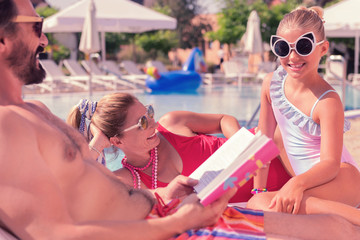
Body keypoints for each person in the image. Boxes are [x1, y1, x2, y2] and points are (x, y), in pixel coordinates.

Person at [1, 1, 360, 239]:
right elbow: (53, 232)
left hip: (166, 207)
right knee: (331, 228)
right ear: (3, 40)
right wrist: (177, 222)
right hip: (164, 227)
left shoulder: (35, 113)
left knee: (335, 226)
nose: (46, 37)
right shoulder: (7, 127)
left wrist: (161, 193)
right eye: (36, 25)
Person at [67, 93, 291, 202]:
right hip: (263, 198)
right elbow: (77, 184)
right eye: (143, 123)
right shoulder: (128, 179)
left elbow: (224, 119)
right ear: (116, 141)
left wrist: (240, 144)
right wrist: (97, 141)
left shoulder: (172, 123)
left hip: (272, 156)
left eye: (150, 113)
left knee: (284, 133)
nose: (153, 123)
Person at [248, 6, 360, 215]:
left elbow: (330, 164)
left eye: (303, 46)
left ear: (323, 49)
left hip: (341, 180)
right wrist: (258, 189)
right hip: (309, 185)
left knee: (275, 206)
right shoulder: (270, 84)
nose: (293, 57)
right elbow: (263, 143)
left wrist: (296, 184)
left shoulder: (327, 101)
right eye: (282, 48)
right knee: (258, 203)